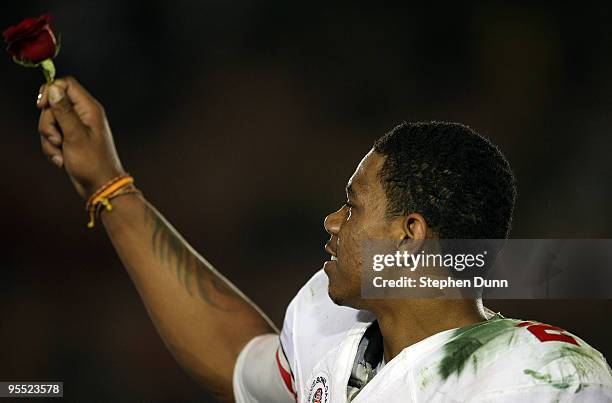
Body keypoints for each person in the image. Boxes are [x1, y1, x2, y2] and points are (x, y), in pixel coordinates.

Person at [36, 77, 612, 402]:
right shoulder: (328, 321)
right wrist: (110, 188)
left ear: (410, 235)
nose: (332, 222)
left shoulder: (543, 376)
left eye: (353, 207)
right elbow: (237, 361)